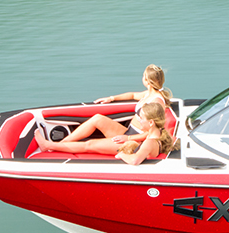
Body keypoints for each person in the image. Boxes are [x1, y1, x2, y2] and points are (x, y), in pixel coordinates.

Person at [33, 101, 177, 166]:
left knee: (89, 145)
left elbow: (135, 160)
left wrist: (122, 154)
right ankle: (59, 144)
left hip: (130, 148)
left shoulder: (150, 142)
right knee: (97, 121)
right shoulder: (158, 132)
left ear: (151, 122)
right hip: (133, 143)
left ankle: (48, 146)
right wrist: (128, 137)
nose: (138, 120)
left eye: (141, 118)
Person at [60, 64, 172, 144]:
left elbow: (154, 131)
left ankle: (59, 146)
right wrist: (111, 98)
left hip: (136, 139)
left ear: (147, 80)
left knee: (92, 143)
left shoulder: (157, 102)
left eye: (143, 76)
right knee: (97, 119)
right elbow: (132, 95)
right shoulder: (148, 93)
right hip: (129, 131)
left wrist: (128, 139)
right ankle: (64, 142)